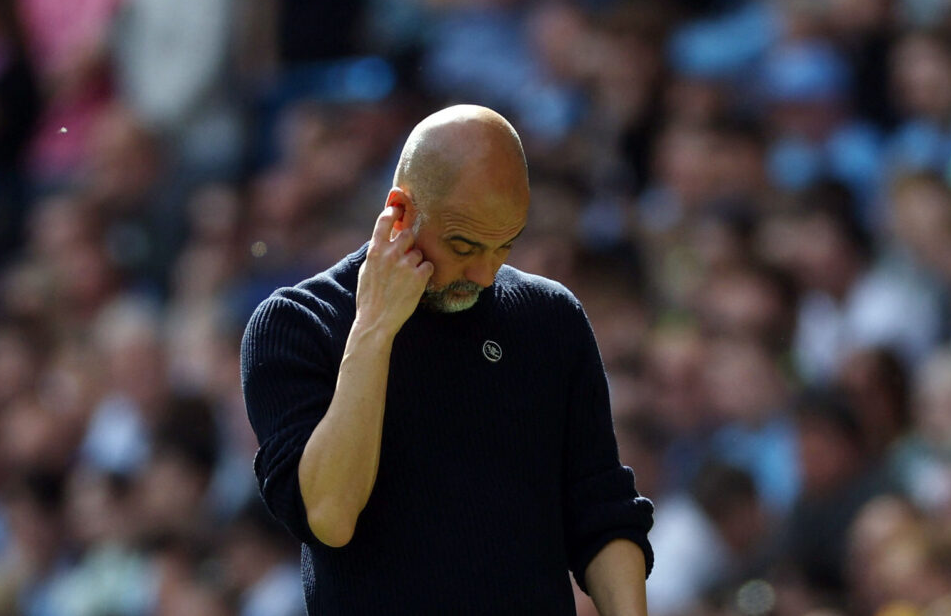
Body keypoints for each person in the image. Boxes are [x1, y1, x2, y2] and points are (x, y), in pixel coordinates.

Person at [240, 104, 654, 615]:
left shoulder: (552, 318)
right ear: (401, 211)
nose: (483, 274)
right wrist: (374, 327)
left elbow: (602, 508)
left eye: (503, 246)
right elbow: (329, 514)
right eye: (464, 245)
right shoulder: (296, 324)